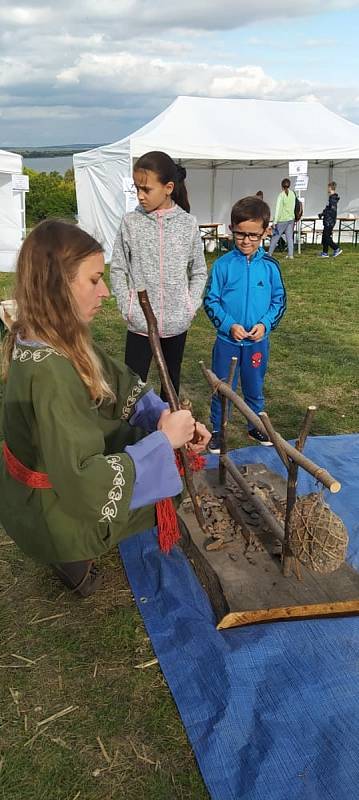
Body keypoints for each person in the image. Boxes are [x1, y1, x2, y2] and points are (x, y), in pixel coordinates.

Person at [0, 220, 210, 596]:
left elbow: (118, 383)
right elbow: (83, 481)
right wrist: (163, 443)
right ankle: (69, 551)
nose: (106, 292)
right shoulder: (51, 373)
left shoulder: (45, 333)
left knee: (151, 443)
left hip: (38, 485)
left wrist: (164, 417)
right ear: (59, 285)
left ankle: (66, 545)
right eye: (95, 280)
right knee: (167, 472)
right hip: (47, 507)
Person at [111, 151, 207, 400]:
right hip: (140, 323)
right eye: (137, 189)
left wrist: (190, 306)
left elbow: (198, 271)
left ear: (168, 188)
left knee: (170, 384)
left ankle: (170, 435)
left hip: (177, 322)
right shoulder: (130, 222)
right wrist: (127, 306)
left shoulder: (188, 224)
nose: (140, 196)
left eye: (146, 189)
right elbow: (118, 268)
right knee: (132, 385)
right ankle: (133, 435)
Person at [203, 196, 286, 452]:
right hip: (227, 342)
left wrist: (265, 325)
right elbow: (210, 300)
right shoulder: (222, 265)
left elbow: (279, 301)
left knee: (254, 385)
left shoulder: (271, 267)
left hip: (257, 343)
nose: (246, 240)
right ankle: (217, 430)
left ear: (265, 232)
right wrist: (229, 325)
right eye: (240, 234)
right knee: (222, 388)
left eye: (253, 235)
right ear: (231, 229)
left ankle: (256, 426)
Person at [269, 178, 296, 259]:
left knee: (275, 237)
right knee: (289, 237)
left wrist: (275, 221)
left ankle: (269, 254)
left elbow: (278, 209)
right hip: (291, 218)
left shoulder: (281, 195)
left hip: (282, 220)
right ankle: (291, 255)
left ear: (282, 186)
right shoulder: (293, 194)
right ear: (289, 185)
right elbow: (294, 206)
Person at [318, 181, 342, 258]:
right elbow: (328, 208)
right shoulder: (331, 198)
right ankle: (325, 253)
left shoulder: (333, 199)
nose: (327, 189)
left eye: (328, 187)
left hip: (329, 221)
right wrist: (322, 213)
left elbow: (331, 211)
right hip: (328, 220)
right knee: (325, 236)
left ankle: (336, 248)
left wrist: (325, 214)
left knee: (326, 237)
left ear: (330, 188)